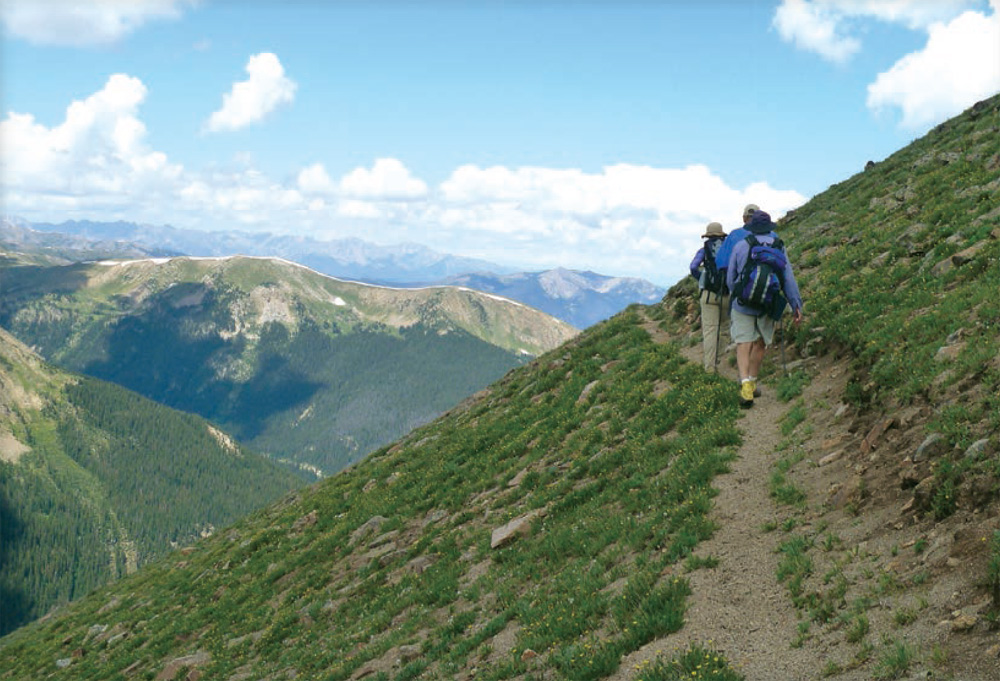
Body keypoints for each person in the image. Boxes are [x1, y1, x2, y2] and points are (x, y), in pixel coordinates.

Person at [725, 209, 803, 408]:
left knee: (743, 343)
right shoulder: (779, 246)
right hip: (767, 303)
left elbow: (730, 279)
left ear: (750, 227)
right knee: (760, 343)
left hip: (743, 304)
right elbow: (788, 279)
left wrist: (739, 294)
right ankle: (752, 381)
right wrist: (795, 304)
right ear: (769, 228)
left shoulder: (741, 245)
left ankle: (745, 387)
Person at [688, 221, 729, 372]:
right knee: (725, 329)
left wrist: (702, 279)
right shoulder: (729, 249)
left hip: (708, 295)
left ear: (708, 236)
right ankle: (721, 360)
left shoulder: (704, 250)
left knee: (710, 331)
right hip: (726, 294)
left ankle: (710, 368)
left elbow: (693, 267)